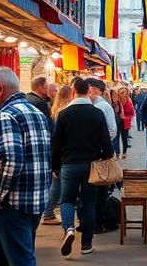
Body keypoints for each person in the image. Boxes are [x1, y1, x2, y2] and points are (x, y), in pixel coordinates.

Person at [0, 67, 52, 266]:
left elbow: (11, 160)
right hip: (33, 200)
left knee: (21, 260)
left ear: (0, 89)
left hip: (11, 205)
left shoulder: (6, 116)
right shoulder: (36, 113)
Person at [51, 78, 114, 256]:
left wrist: (55, 166)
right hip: (91, 165)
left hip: (69, 164)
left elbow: (56, 144)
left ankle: (69, 229)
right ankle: (86, 244)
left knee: (67, 200)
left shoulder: (63, 114)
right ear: (88, 91)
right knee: (88, 202)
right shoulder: (96, 113)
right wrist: (106, 156)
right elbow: (106, 142)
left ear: (73, 92)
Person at [87, 78, 119, 234]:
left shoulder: (102, 106)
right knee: (93, 191)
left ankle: (98, 223)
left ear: (93, 89)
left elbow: (112, 130)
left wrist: (100, 147)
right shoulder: (94, 106)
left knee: (100, 190)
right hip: (95, 154)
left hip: (100, 156)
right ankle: (93, 222)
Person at [42, 85, 75, 226]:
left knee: (56, 186)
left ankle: (49, 213)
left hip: (56, 153)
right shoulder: (66, 112)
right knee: (60, 188)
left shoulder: (54, 110)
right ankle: (51, 214)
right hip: (64, 153)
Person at [119, 87, 134, 158]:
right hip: (119, 120)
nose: (121, 94)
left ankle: (124, 152)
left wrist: (126, 117)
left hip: (125, 121)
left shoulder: (128, 101)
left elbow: (132, 113)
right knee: (116, 137)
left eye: (122, 93)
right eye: (120, 93)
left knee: (124, 137)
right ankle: (117, 152)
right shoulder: (117, 101)